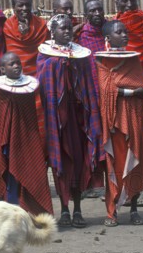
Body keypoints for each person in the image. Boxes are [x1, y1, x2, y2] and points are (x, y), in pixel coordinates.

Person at [36, 14, 102, 228]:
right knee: (61, 164)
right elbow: (44, 81)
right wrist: (58, 65)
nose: (67, 31)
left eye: (69, 28)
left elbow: (88, 83)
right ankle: (64, 209)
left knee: (79, 161)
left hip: (78, 117)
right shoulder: (45, 55)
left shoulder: (80, 55)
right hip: (57, 119)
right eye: (62, 28)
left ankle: (78, 209)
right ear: (52, 32)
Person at [95, 20, 143, 226]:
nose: (124, 35)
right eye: (119, 32)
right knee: (117, 164)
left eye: (125, 31)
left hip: (135, 118)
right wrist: (132, 92)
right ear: (108, 38)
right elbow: (105, 90)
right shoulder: (102, 61)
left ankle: (134, 208)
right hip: (115, 121)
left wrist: (139, 92)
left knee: (136, 160)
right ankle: (112, 212)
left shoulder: (133, 60)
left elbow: (140, 85)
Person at [0, 52, 53, 215]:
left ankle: (28, 210)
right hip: (4, 142)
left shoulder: (28, 89)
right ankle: (8, 210)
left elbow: (29, 117)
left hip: (25, 139)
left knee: (28, 171)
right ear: (2, 69)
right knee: (7, 174)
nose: (16, 66)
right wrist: (3, 139)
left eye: (18, 63)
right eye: (11, 64)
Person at [114, 0, 143, 206]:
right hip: (122, 91)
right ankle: (123, 188)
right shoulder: (113, 26)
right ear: (117, 3)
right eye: (124, 2)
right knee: (123, 140)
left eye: (133, 0)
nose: (129, 5)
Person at [76, 0, 108, 199]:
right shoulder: (82, 36)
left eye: (99, 9)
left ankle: (113, 181)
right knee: (93, 137)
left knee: (111, 139)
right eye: (92, 10)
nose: (97, 13)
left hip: (111, 94)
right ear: (86, 15)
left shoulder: (111, 31)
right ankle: (95, 183)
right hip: (90, 95)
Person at [3, 0, 48, 77]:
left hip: (38, 73)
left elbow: (47, 52)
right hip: (14, 75)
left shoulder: (41, 25)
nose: (25, 8)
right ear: (13, 7)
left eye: (28, 5)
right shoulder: (8, 26)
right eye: (20, 5)